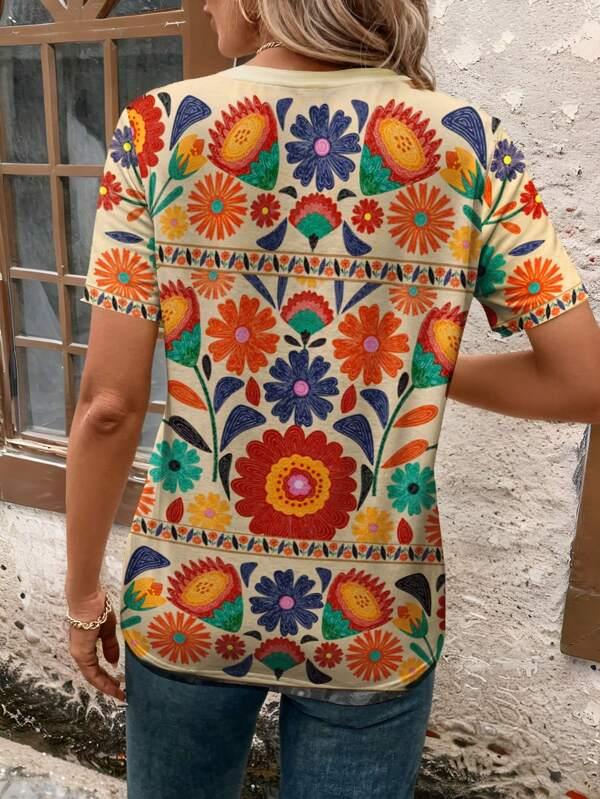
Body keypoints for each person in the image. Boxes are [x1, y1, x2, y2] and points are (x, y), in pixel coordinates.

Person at [63, 1, 600, 797]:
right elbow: (582, 382)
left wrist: (82, 596)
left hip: (190, 595)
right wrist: (423, 366)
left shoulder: (158, 130)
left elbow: (109, 405)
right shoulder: (469, 143)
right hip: (373, 607)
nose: (205, 3)